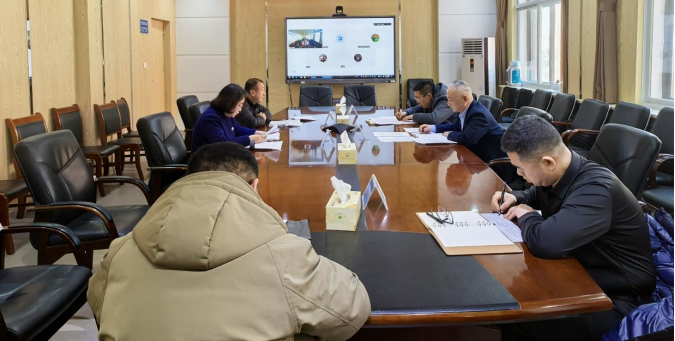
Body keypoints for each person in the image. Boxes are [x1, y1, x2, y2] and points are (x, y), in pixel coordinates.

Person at [88, 142, 372, 340]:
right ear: (254, 186)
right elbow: (351, 310)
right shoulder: (283, 255)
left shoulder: (120, 252)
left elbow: (99, 304)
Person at [491, 116, 656, 341]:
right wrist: (517, 197)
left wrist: (527, 214)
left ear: (548, 162)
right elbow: (539, 192)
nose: (520, 175)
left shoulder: (596, 189)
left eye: (521, 169)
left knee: (517, 312)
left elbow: (545, 243)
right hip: (583, 273)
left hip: (616, 300)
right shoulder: (563, 172)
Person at [419, 80, 506, 163]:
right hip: (476, 158)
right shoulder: (465, 110)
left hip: (491, 164)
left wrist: (449, 135)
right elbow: (455, 126)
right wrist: (432, 128)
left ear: (464, 99)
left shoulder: (479, 114)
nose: (448, 104)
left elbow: (467, 138)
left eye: (450, 100)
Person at [192, 83, 265, 152]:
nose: (240, 109)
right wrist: (249, 139)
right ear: (230, 103)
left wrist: (255, 132)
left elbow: (238, 130)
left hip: (220, 155)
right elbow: (223, 144)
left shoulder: (227, 112)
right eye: (239, 105)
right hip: (206, 158)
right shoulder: (210, 118)